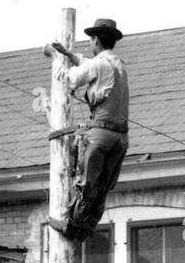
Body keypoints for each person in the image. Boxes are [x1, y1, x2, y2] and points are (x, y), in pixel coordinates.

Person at [47, 19, 130, 242]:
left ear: (95, 40)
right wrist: (68, 53)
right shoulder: (118, 64)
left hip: (101, 134)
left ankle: (71, 225)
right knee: (103, 187)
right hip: (121, 138)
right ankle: (87, 228)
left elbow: (72, 77)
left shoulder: (99, 64)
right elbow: (88, 65)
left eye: (91, 39)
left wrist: (57, 61)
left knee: (88, 183)